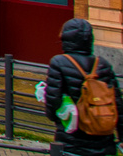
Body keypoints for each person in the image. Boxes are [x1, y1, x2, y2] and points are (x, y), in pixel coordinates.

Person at [43, 16, 121, 156]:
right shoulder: (103, 64)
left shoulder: (59, 63)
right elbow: (117, 104)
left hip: (72, 140)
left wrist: (59, 120)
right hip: (103, 139)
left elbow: (53, 100)